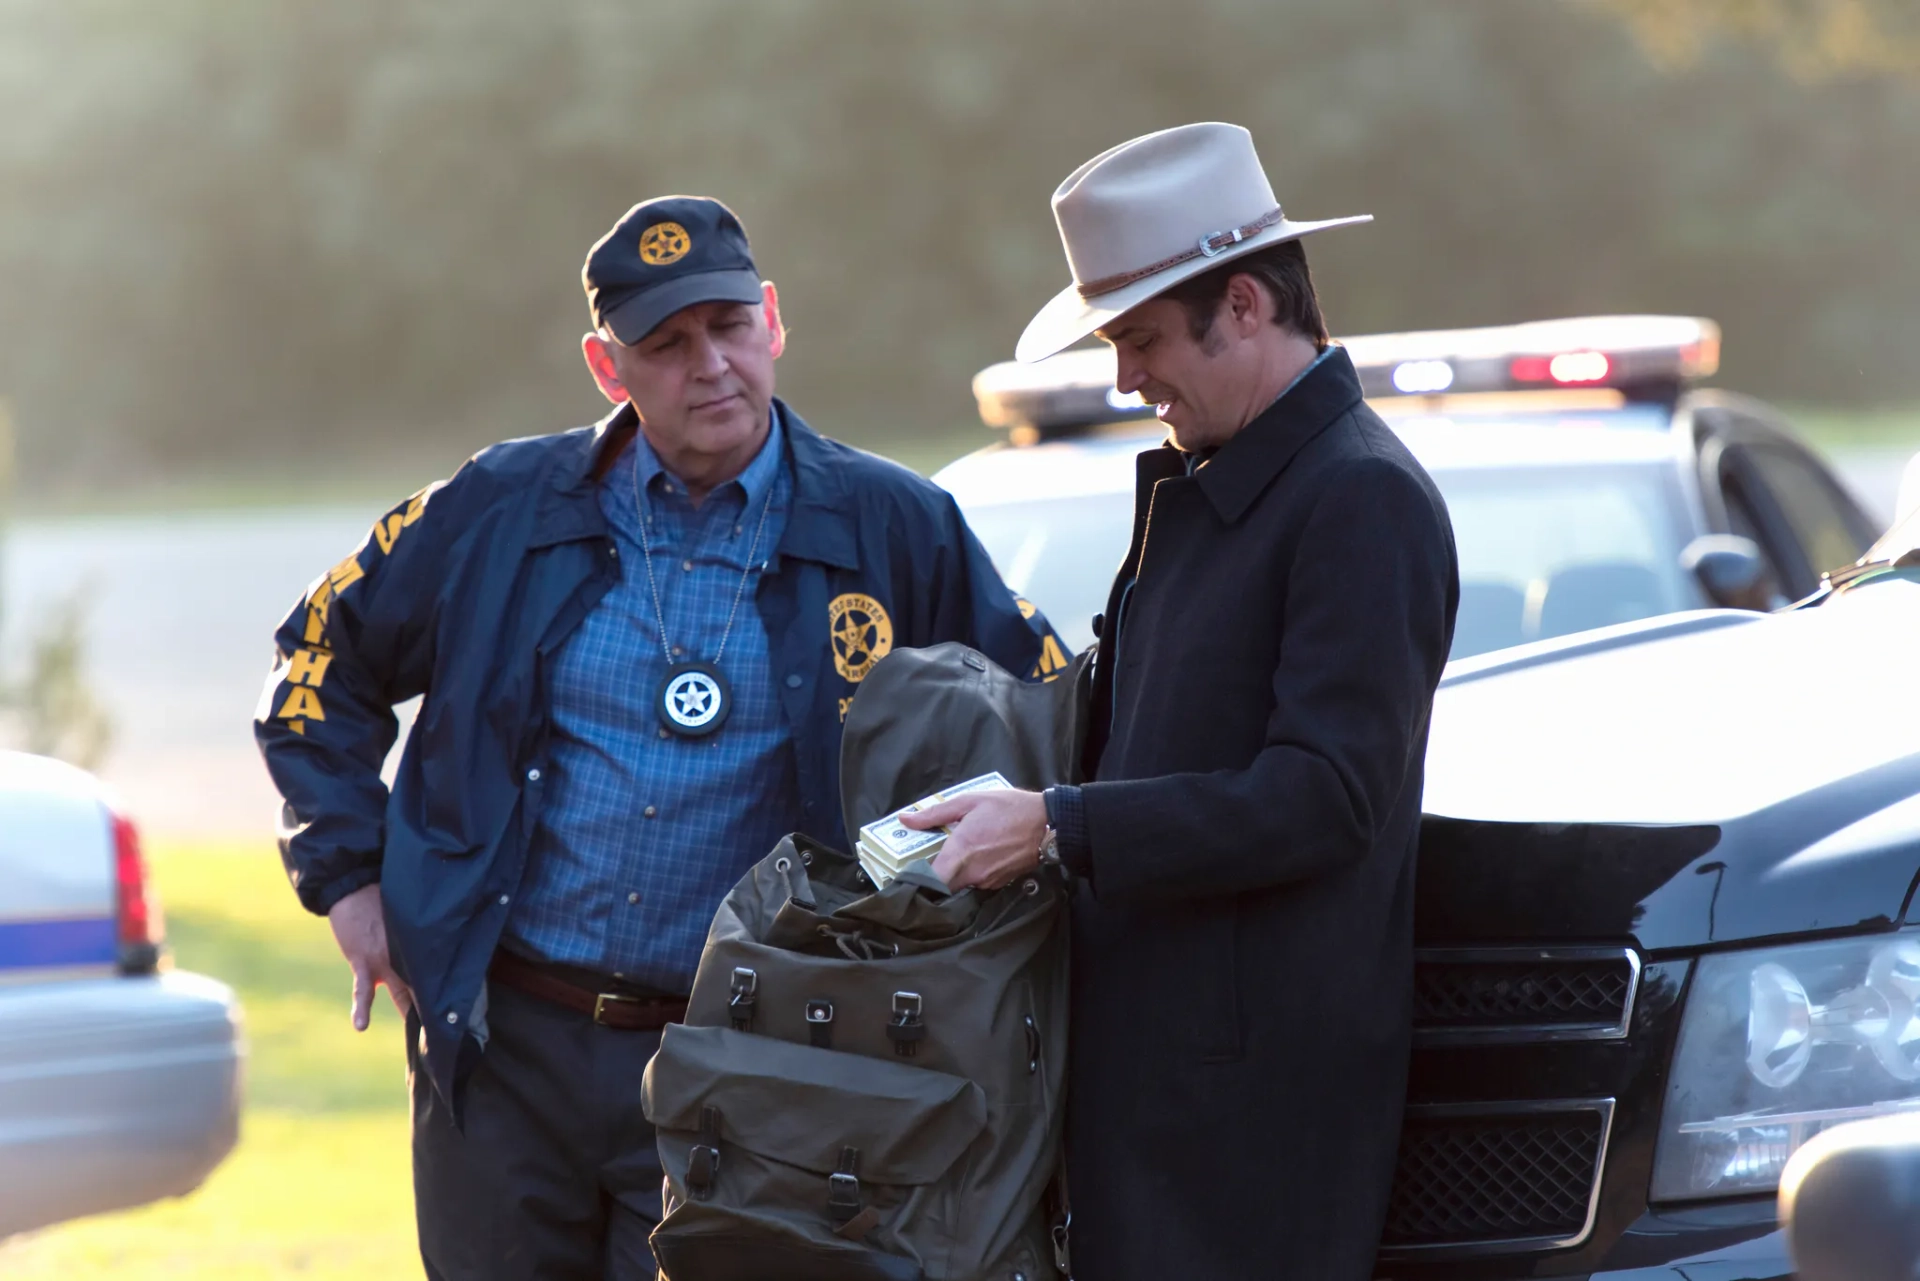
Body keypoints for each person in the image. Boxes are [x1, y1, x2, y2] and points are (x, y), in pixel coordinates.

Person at [253, 194, 1067, 1280]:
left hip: (751, 1066)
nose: (709, 365)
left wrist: (909, 889)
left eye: (728, 326)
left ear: (773, 321)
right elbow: (316, 659)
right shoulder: (498, 506)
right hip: (501, 1053)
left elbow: (1039, 723)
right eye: (666, 344)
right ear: (607, 365)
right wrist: (348, 876)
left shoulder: (896, 525)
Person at [903, 123, 1460, 1279]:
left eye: (1144, 339)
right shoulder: (1225, 484)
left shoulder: (1359, 498)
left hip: (1248, 1136)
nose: (1125, 376)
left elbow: (1324, 797)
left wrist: (1059, 825)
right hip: (1162, 1111)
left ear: (1246, 306)